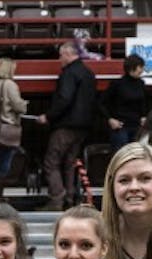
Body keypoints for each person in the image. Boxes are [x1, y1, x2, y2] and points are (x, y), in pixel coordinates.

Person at [39, 42, 97, 210]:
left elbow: (64, 99)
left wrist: (48, 116)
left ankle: (57, 198)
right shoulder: (88, 73)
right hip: (84, 126)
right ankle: (70, 198)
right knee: (70, 162)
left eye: (61, 55)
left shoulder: (68, 74)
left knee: (51, 162)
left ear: (68, 54)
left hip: (66, 125)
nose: (60, 59)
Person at [0, 58, 28, 181]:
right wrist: (24, 104)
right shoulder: (10, 85)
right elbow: (19, 107)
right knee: (5, 165)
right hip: (6, 129)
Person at [102, 55, 148, 152]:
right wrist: (109, 119)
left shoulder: (141, 83)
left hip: (137, 126)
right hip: (121, 126)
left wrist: (144, 116)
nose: (142, 70)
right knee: (122, 154)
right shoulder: (117, 84)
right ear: (132, 68)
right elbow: (102, 103)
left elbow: (143, 102)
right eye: (140, 67)